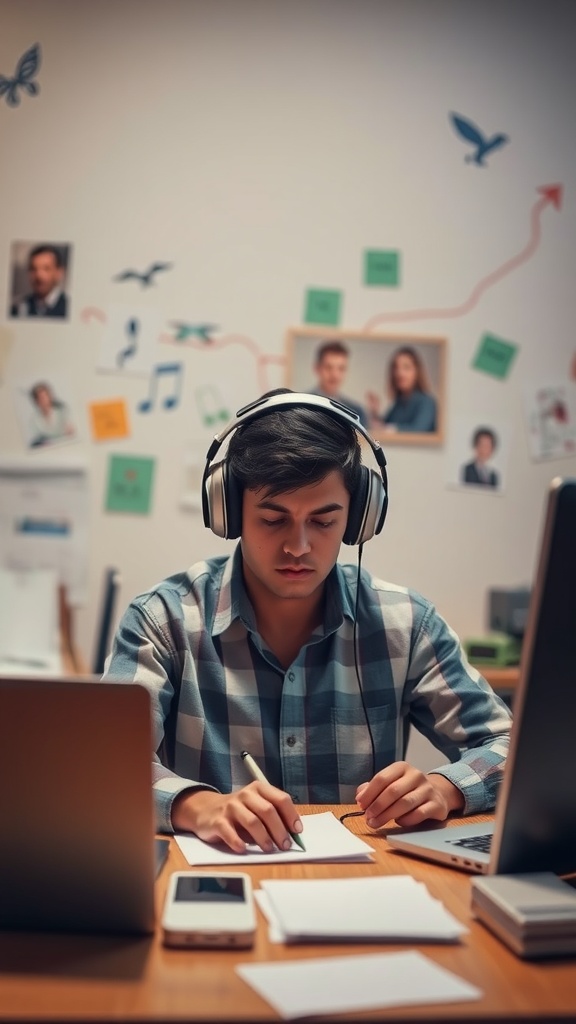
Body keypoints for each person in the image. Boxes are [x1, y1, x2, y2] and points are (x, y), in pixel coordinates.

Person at [103, 390, 511, 853]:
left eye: (322, 521)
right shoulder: (163, 621)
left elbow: (511, 744)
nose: (298, 546)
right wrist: (198, 806)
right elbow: (103, 762)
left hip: (363, 890)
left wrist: (447, 788)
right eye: (274, 520)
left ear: (358, 518)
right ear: (230, 513)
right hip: (216, 888)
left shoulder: (407, 624)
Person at [366, 346, 437, 433]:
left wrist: (391, 429)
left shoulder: (426, 402)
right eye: (396, 368)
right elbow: (385, 426)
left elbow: (419, 430)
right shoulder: (399, 403)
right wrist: (375, 413)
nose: (400, 373)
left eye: (406, 367)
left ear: (417, 372)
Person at [309, 339, 369, 427]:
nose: (335, 375)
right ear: (317, 368)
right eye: (328, 367)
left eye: (341, 368)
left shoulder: (356, 412)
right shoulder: (302, 405)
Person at [10, 244, 69, 319]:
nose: (39, 275)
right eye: (34, 269)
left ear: (59, 272)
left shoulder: (69, 307)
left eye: (46, 269)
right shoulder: (19, 308)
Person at [28, 381, 75, 447]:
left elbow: (70, 432)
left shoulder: (61, 412)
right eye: (40, 398)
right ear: (36, 401)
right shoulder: (34, 419)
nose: (43, 400)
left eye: (44, 397)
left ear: (49, 397)